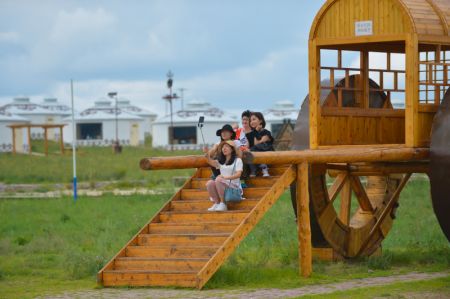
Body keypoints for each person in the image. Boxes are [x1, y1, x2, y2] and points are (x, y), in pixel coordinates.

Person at [205, 140, 243, 211]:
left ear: (232, 149)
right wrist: (207, 155)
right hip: (222, 183)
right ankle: (217, 203)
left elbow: (238, 174)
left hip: (234, 187)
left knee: (218, 179)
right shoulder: (221, 161)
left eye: (226, 147)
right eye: (223, 147)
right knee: (209, 183)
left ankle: (223, 203)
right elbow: (210, 162)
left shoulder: (238, 160)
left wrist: (225, 177)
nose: (224, 148)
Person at [248, 112, 274, 177]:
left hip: (267, 150)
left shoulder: (266, 131)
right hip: (257, 151)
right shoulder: (252, 133)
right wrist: (256, 131)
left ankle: (264, 169)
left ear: (260, 121)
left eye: (254, 119)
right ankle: (254, 170)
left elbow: (261, 141)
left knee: (255, 148)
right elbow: (255, 143)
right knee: (250, 151)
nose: (252, 122)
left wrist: (256, 132)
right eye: (250, 120)